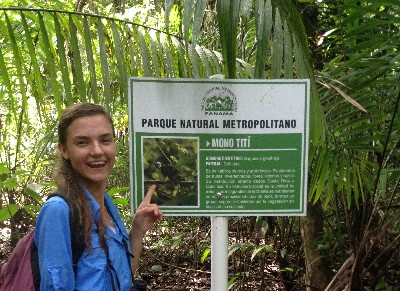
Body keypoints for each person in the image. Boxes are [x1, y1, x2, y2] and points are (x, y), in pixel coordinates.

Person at [34, 102, 162, 290]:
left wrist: (137, 231)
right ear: (64, 150)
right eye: (82, 142)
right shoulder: (58, 211)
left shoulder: (107, 205)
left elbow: (123, 280)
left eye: (105, 140)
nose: (97, 151)